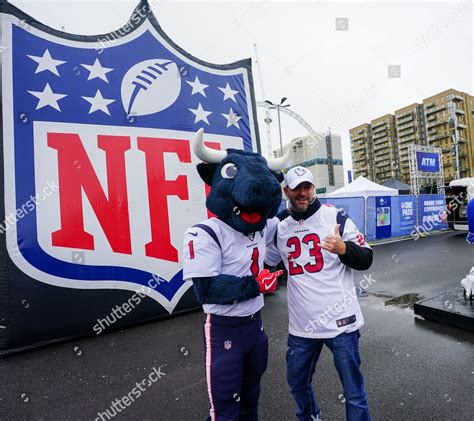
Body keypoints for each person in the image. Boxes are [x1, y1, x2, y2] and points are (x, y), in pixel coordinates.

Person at [182, 129, 287, 421]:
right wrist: (255, 285)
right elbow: (207, 290)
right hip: (223, 328)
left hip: (255, 326)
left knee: (251, 400)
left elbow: (287, 219)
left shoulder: (263, 226)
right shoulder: (205, 233)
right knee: (224, 408)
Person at [265, 166, 373, 421]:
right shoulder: (280, 225)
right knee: (297, 383)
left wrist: (344, 248)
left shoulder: (336, 217)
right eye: (296, 188)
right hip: (302, 327)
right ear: (286, 191)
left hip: (341, 323)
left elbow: (366, 258)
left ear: (313, 189)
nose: (302, 193)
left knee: (354, 392)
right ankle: (310, 416)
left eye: (307, 187)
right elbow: (268, 261)